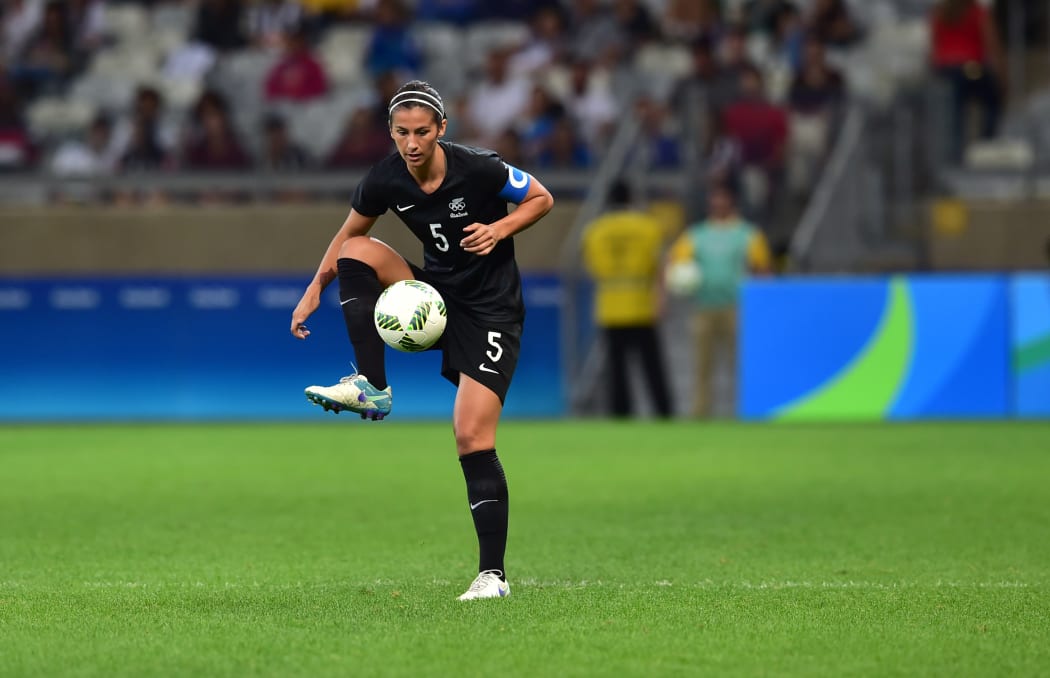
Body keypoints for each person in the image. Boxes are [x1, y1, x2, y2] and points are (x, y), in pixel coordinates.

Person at [290, 80, 554, 600]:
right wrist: (313, 289)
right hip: (436, 297)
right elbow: (346, 236)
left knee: (471, 437)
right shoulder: (385, 178)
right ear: (391, 132)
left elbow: (542, 198)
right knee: (357, 252)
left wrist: (500, 231)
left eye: (422, 133)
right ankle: (372, 385)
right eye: (402, 133)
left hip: (490, 313)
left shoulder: (479, 167)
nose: (412, 144)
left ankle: (492, 576)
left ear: (441, 131)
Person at [668, 183, 770, 418]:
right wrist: (679, 278)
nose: (718, 203)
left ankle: (747, 411)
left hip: (736, 307)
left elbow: (762, 269)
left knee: (740, 365)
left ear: (731, 201)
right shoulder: (696, 234)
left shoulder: (747, 233)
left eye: (722, 198)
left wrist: (761, 304)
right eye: (714, 199)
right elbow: (676, 262)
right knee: (703, 366)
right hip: (704, 306)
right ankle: (701, 412)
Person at [582, 180, 672, 418]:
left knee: (617, 369)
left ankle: (621, 414)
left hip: (610, 307)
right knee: (652, 366)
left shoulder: (595, 230)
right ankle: (663, 411)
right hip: (641, 305)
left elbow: (591, 266)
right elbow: (660, 265)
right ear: (631, 199)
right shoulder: (648, 226)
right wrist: (660, 298)